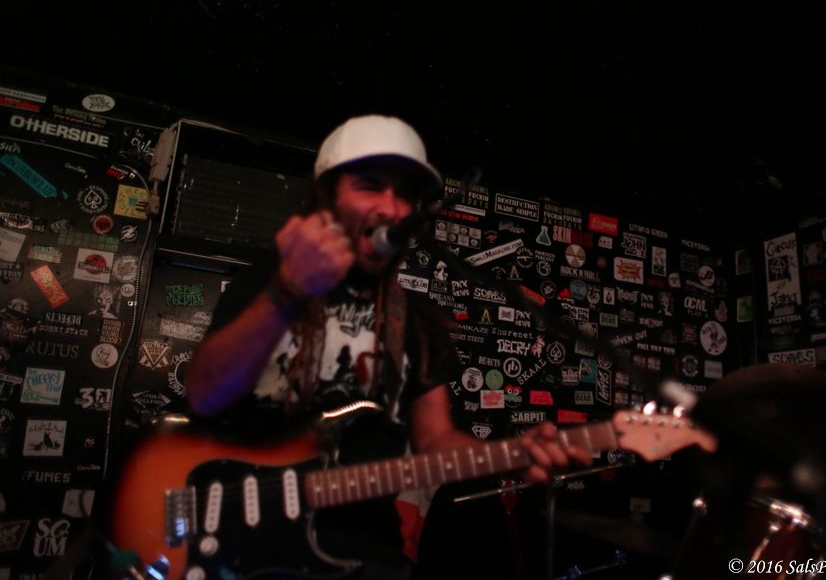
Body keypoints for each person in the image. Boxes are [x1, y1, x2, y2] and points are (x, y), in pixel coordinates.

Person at [185, 115, 590, 578]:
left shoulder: (415, 319)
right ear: (326, 195)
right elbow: (204, 395)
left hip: (366, 556)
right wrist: (287, 292)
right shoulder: (267, 280)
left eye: (405, 195)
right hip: (244, 544)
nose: (392, 208)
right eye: (370, 186)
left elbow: (434, 440)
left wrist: (514, 454)